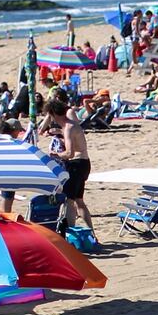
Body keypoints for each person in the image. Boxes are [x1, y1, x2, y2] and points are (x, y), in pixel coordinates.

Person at [49, 96, 93, 230]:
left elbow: (70, 153)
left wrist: (55, 155)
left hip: (76, 165)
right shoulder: (72, 125)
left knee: (70, 201)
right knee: (79, 201)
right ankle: (91, 232)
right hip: (85, 163)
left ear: (54, 114)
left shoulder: (67, 128)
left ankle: (70, 232)